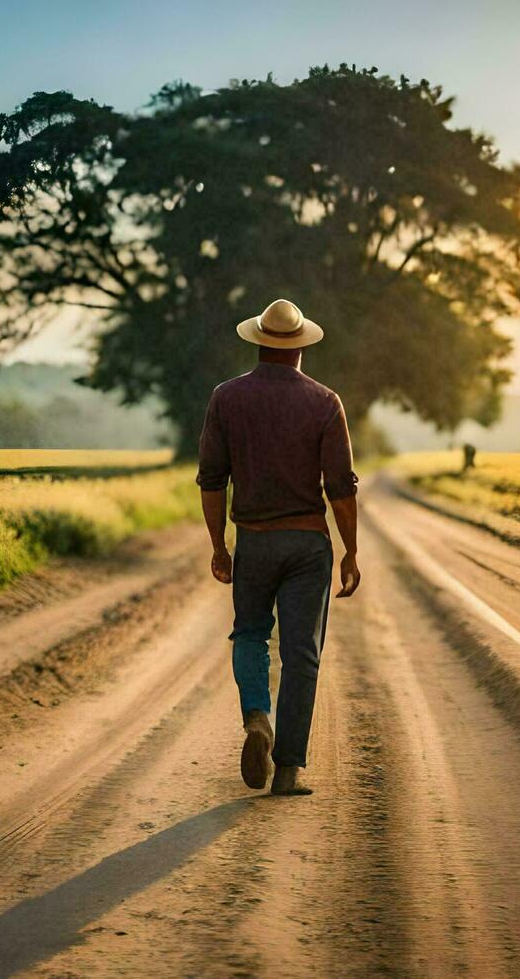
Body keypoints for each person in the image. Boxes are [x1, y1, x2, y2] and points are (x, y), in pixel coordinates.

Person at [196, 298, 361, 796]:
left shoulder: (226, 398)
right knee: (300, 654)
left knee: (249, 634)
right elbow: (340, 487)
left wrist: (219, 547)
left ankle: (256, 719)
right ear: (299, 350)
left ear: (260, 344)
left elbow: (211, 481)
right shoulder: (325, 401)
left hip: (255, 542)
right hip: (308, 545)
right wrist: (351, 550)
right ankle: (287, 770)